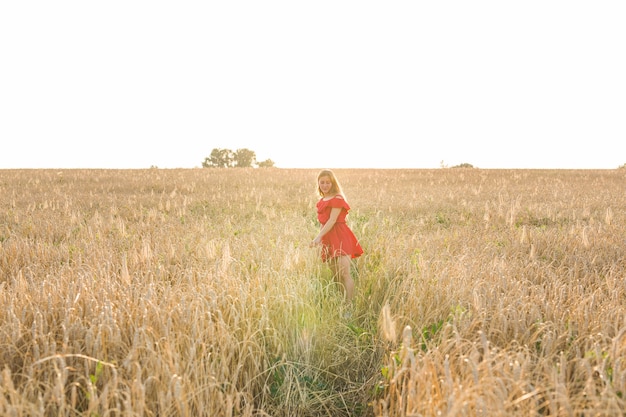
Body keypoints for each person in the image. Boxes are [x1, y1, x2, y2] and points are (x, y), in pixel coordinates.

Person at [310, 169, 363, 303]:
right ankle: (342, 302)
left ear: (333, 183)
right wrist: (320, 240)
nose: (325, 185)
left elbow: (332, 220)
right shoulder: (322, 201)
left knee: (345, 273)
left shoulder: (338, 198)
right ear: (318, 184)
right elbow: (323, 223)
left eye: (328, 182)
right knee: (336, 276)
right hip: (328, 238)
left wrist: (318, 237)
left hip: (340, 236)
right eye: (322, 182)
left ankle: (349, 306)